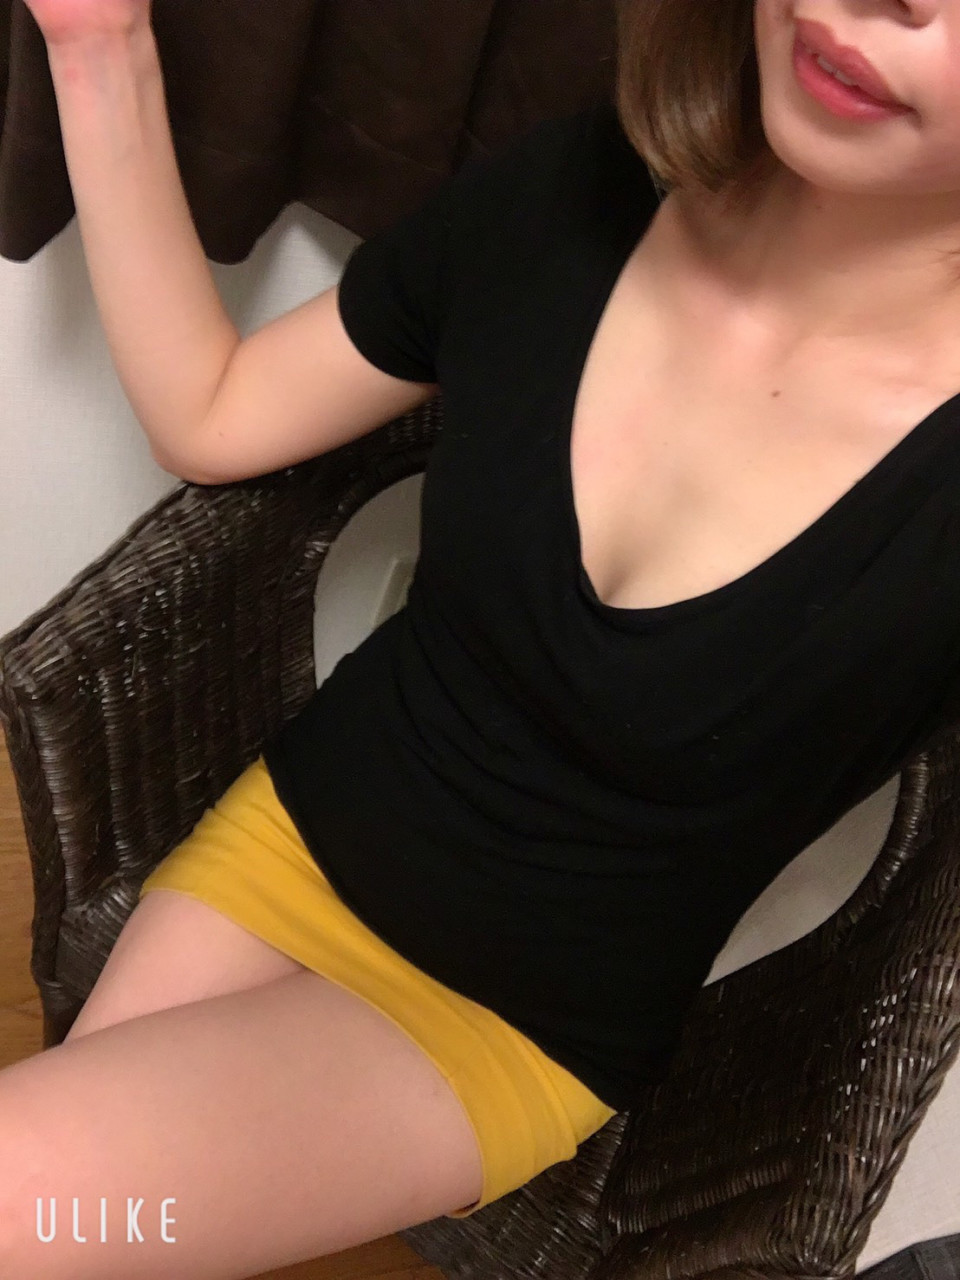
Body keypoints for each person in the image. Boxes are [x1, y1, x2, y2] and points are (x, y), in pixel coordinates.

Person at [4, 0, 960, 1275]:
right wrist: (98, 44)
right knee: (77, 1237)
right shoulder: (581, 185)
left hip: (500, 1025)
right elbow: (215, 410)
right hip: (296, 832)